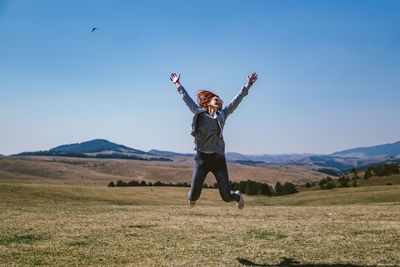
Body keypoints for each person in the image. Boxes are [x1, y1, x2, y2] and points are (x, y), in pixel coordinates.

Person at [170, 72, 258, 209]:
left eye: (219, 100)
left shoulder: (223, 115)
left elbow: (237, 100)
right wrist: (177, 83)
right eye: (215, 99)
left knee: (226, 197)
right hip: (202, 159)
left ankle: (237, 196)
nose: (219, 101)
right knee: (193, 196)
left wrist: (248, 85)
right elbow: (186, 99)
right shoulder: (199, 113)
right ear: (208, 102)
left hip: (218, 159)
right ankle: (191, 197)